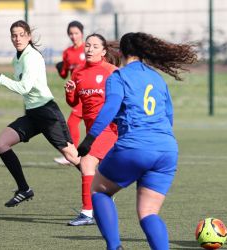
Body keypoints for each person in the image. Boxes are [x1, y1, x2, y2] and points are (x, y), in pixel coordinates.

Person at [76, 32, 197, 249]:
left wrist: (90, 138)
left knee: (99, 191)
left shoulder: (119, 76)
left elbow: (111, 107)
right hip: (167, 150)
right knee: (148, 213)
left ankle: (114, 247)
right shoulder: (157, 79)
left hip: (134, 146)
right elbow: (168, 116)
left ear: (120, 52)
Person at [0, 20, 80, 207]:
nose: (17, 38)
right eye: (14, 35)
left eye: (21, 34)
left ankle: (102, 187)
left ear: (28, 36)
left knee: (72, 156)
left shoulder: (32, 57)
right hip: (33, 114)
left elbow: (25, 88)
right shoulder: (17, 58)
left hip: (47, 113)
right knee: (1, 144)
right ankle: (24, 189)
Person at [65, 33, 120, 226]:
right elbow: (74, 102)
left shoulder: (112, 71)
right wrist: (70, 92)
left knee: (87, 163)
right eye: (87, 46)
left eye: (95, 46)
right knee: (101, 171)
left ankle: (87, 213)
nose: (89, 49)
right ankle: (103, 200)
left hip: (109, 128)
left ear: (104, 51)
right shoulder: (78, 72)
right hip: (92, 130)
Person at [54, 21, 86, 165]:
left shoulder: (89, 48)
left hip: (90, 91)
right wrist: (60, 68)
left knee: (73, 122)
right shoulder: (67, 52)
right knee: (74, 123)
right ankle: (75, 154)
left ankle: (74, 155)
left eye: (76, 33)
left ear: (82, 33)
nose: (73, 36)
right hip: (77, 93)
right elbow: (64, 73)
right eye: (71, 34)